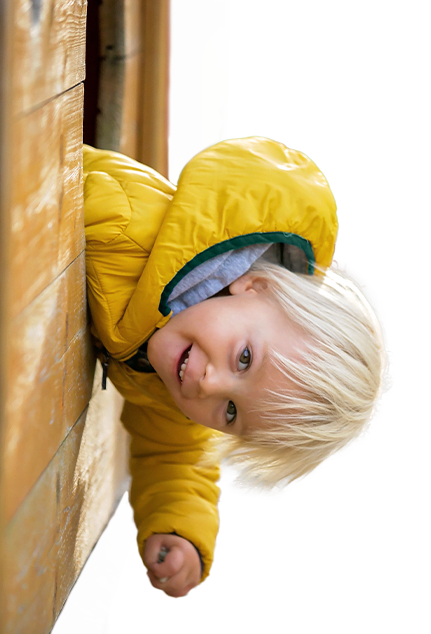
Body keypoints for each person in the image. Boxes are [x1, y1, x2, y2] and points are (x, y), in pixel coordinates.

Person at [82, 136, 387, 598]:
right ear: (255, 286)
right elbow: (33, 190)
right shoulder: (125, 222)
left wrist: (179, 529)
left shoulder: (179, 378)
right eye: (244, 358)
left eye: (230, 413)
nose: (210, 385)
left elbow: (177, 455)